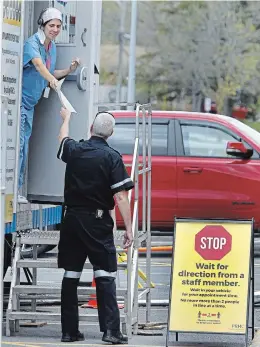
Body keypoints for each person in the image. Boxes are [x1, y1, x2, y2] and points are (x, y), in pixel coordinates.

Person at [57, 107, 134, 344]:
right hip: (97, 222)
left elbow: (62, 139)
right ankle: (111, 331)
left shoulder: (75, 149)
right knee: (105, 273)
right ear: (110, 134)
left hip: (70, 220)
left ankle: (69, 332)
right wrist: (128, 229)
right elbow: (120, 197)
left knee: (71, 274)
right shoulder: (112, 157)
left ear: (91, 129)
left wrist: (67, 118)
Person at [18, 7, 80, 203]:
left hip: (29, 105)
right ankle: (13, 190)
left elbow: (51, 72)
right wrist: (51, 80)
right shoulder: (32, 44)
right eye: (51, 25)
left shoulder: (51, 47)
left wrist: (71, 69)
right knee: (18, 146)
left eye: (58, 26)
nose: (55, 29)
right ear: (43, 25)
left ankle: (16, 188)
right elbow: (39, 66)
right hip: (18, 103)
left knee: (23, 146)